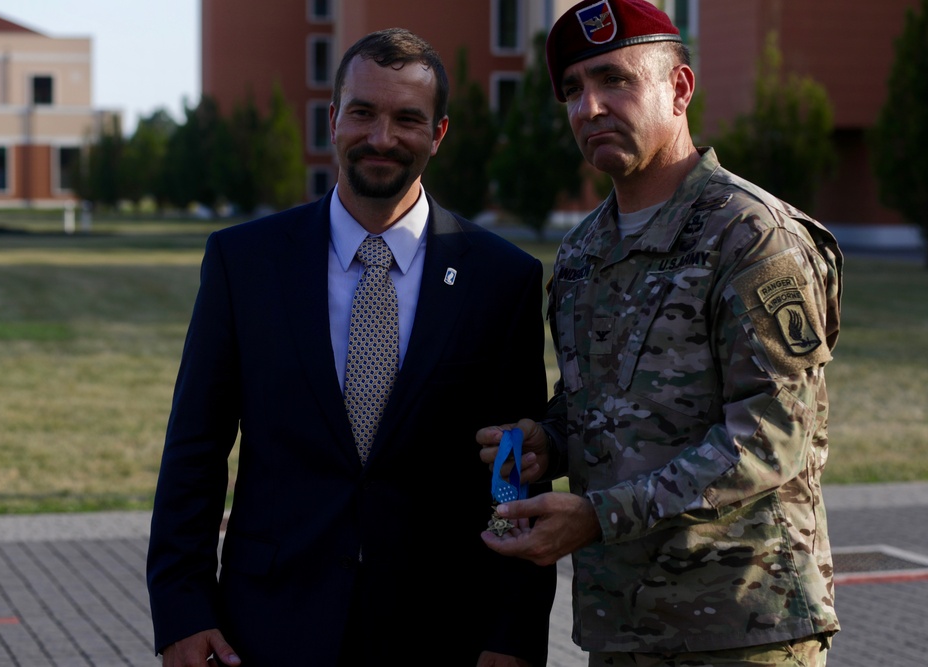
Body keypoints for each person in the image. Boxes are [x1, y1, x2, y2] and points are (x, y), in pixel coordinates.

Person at [147, 28, 555, 667]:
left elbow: (512, 477)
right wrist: (181, 613)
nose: (382, 137)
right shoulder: (244, 262)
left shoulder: (502, 280)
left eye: (407, 119)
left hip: (440, 629)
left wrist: (513, 635)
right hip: (268, 624)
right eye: (363, 112)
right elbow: (194, 448)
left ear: (439, 134)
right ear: (334, 119)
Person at [477, 1, 843, 665]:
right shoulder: (584, 250)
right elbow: (602, 404)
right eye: (572, 89)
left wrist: (598, 515)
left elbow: (771, 436)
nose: (589, 108)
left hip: (742, 624)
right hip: (622, 626)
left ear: (679, 88)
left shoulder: (751, 235)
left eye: (614, 79)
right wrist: (549, 443)